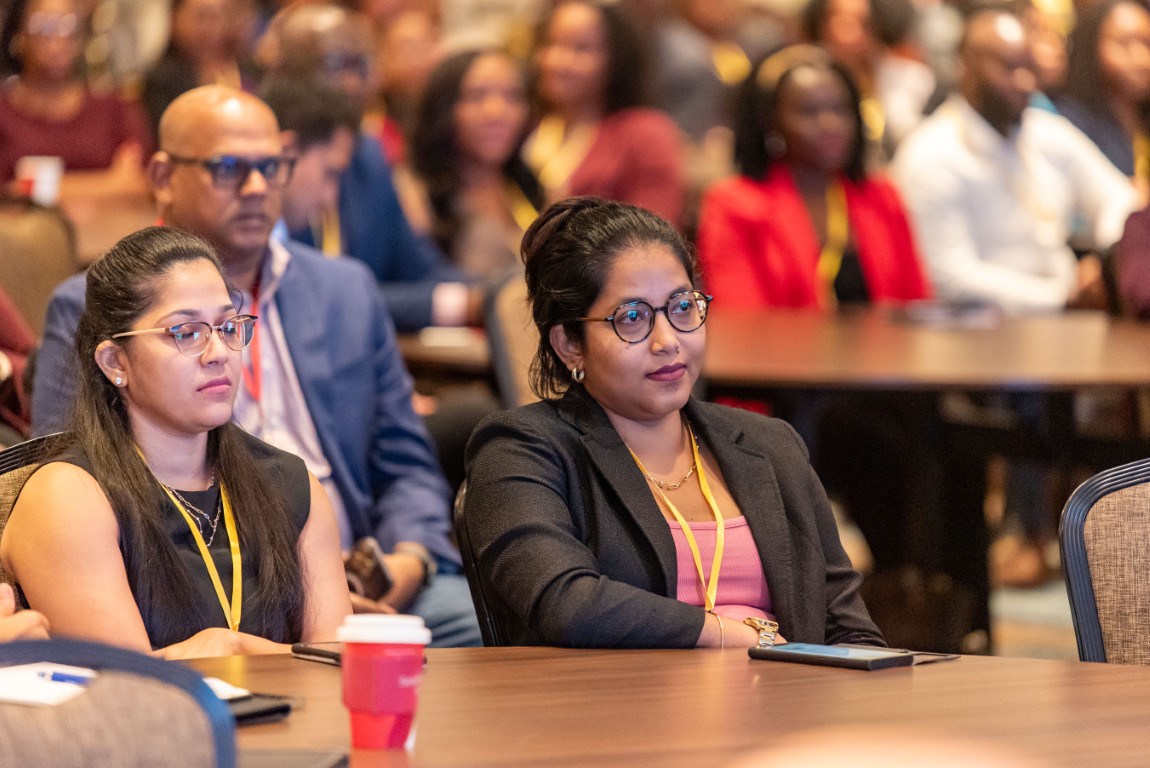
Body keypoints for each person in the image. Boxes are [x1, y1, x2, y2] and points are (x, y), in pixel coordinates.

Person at [30, 86, 482, 648]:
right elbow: (67, 452)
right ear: (164, 176)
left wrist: (408, 559)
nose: (256, 188)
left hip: (354, 559)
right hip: (172, 560)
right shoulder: (90, 308)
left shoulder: (345, 291)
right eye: (228, 168)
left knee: (477, 628)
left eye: (270, 167)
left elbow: (404, 461)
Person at [463, 196, 885, 648]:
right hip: (623, 694)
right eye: (632, 318)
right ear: (570, 344)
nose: (667, 341)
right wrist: (729, 634)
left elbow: (849, 629)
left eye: (683, 308)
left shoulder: (770, 443)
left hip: (789, 691)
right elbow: (566, 603)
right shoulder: (521, 450)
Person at [2, 226, 351, 658]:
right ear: (115, 361)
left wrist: (234, 647)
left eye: (228, 327)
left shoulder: (294, 486)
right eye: (186, 333)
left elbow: (341, 668)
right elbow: (131, 686)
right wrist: (274, 657)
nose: (218, 353)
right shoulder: (68, 497)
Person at [891, 8, 1140, 313]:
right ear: (966, 67)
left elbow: (1119, 200)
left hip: (1067, 315)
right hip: (982, 327)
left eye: (1029, 68)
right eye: (1009, 67)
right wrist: (1061, 296)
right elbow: (950, 278)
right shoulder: (932, 152)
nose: (1024, 82)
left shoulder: (1045, 131)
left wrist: (1109, 260)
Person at [260, 2, 479, 332]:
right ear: (281, 73)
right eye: (334, 65)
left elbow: (420, 268)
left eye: (360, 66)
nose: (351, 84)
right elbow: (304, 292)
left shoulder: (368, 155)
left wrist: (498, 292)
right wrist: (459, 305)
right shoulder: (258, 166)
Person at [697, 44, 929, 311]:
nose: (830, 124)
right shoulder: (734, 204)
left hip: (888, 340)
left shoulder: (882, 196)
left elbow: (917, 305)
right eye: (808, 111)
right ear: (772, 122)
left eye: (840, 109)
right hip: (774, 340)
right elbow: (740, 318)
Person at [523, 0, 686, 227]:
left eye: (580, 48)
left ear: (616, 58)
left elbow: (655, 232)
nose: (557, 60)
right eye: (550, 44)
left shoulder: (644, 133)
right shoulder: (526, 125)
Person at [409, 48, 543, 279]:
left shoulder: (529, 185)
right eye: (476, 96)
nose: (497, 112)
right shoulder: (415, 195)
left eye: (512, 96)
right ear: (443, 107)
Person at [0, 0, 152, 200]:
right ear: (18, 37)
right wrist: (108, 183)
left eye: (68, 24)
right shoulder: (4, 112)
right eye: (42, 25)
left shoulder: (115, 108)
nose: (57, 37)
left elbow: (138, 185)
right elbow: (6, 193)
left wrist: (30, 187)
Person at [801, 0, 937, 160]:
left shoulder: (905, 76)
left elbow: (912, 136)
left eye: (865, 24)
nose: (855, 34)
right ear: (821, 25)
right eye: (845, 23)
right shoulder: (802, 78)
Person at [1054, 0, 1150, 181]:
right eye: (1124, 44)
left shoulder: (1142, 121)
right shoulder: (1070, 124)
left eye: (1148, 44)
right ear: (1090, 46)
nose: (1142, 59)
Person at [141, 0, 263, 138]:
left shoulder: (250, 68)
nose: (213, 27)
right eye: (203, 16)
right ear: (174, 18)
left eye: (219, 16)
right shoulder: (160, 81)